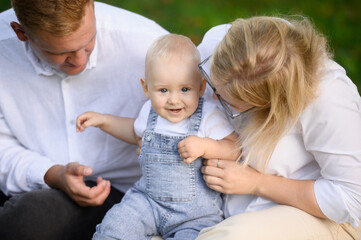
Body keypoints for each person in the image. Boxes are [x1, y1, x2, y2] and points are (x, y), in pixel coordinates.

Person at [0, 0, 168, 239]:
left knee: (29, 219)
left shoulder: (147, 43)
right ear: (21, 32)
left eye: (88, 43)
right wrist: (52, 174)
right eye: (59, 53)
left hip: (127, 194)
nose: (79, 61)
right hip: (31, 176)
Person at [195, 16, 361, 239]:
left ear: (271, 103)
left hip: (318, 216)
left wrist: (257, 183)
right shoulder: (221, 46)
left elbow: (349, 200)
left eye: (230, 102)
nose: (213, 97)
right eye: (213, 81)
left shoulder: (329, 98)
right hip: (224, 204)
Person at [76, 34, 239, 240]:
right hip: (147, 201)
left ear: (200, 87)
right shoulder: (149, 112)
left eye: (185, 89)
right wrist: (104, 121)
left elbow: (235, 148)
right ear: (146, 88)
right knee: (116, 226)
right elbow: (133, 131)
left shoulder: (209, 115)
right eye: (163, 90)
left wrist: (205, 146)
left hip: (195, 214)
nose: (173, 99)